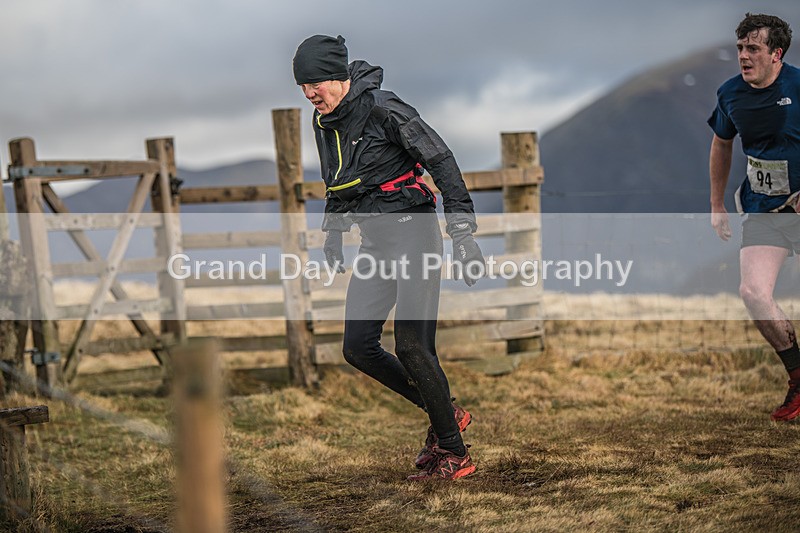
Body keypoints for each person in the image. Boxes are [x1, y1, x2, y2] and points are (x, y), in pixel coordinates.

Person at [292, 35, 486, 479]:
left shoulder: (384, 108)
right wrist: (335, 233)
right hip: (376, 243)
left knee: (414, 347)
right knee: (358, 347)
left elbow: (442, 161)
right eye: (302, 86)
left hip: (415, 235)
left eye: (315, 82)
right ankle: (445, 416)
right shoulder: (324, 121)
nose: (308, 93)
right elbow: (337, 181)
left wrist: (462, 234)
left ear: (338, 76)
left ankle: (454, 454)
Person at [709, 13, 800, 421]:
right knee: (753, 293)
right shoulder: (730, 94)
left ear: (776, 53)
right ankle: (798, 378)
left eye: (753, 49)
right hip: (764, 209)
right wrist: (716, 203)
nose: (744, 56)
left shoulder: (798, 86)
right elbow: (721, 144)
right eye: (740, 49)